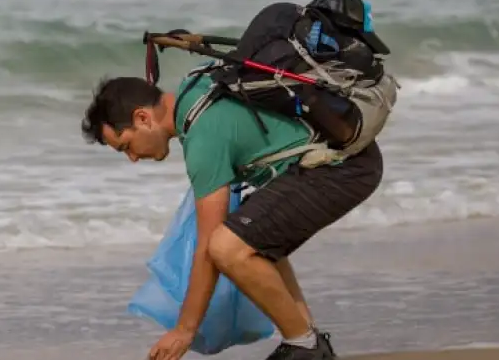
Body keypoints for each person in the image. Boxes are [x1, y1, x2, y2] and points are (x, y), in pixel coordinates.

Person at [80, 64, 384, 360]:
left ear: (143, 118)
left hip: (342, 168)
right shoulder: (197, 85)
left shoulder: (201, 136)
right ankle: (309, 340)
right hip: (346, 157)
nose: (132, 158)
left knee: (228, 247)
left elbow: (209, 247)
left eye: (125, 146)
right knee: (249, 235)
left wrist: (185, 330)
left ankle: (304, 346)